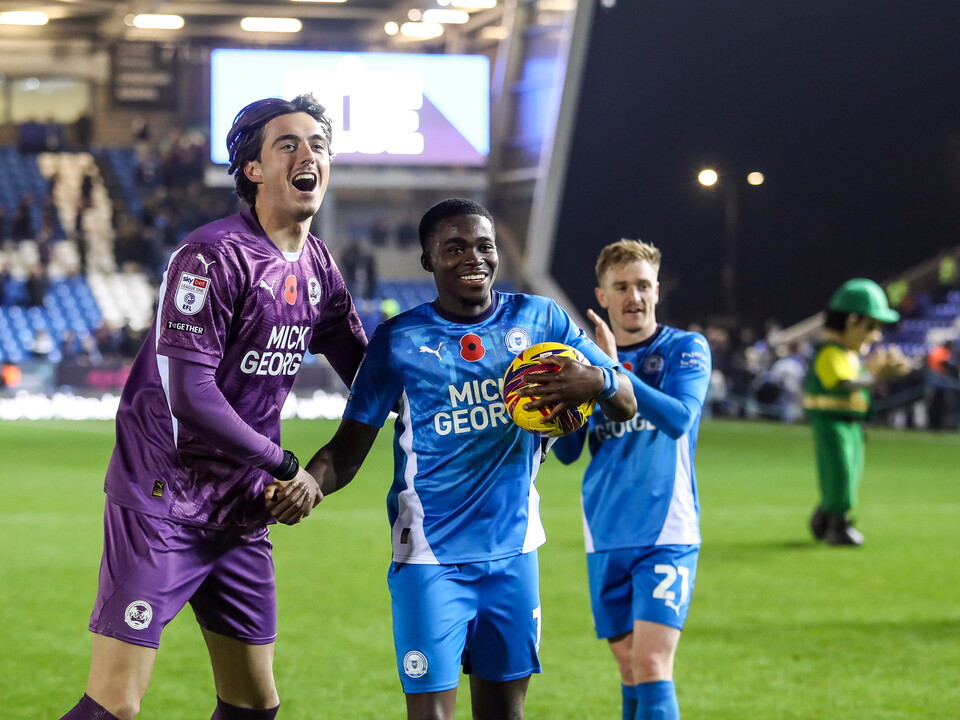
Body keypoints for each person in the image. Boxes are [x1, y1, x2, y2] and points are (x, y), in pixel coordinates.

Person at [57, 93, 367, 720]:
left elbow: (370, 374)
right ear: (252, 168)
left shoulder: (319, 266)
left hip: (241, 506)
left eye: (319, 146)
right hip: (164, 499)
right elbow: (192, 397)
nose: (309, 156)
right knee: (116, 703)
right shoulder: (212, 255)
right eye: (288, 145)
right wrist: (285, 466)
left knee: (254, 702)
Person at [267, 197, 637, 720]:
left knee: (504, 714)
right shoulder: (398, 342)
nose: (474, 257)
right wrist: (307, 483)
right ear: (428, 260)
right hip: (429, 558)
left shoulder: (540, 319)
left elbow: (625, 403)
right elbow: (347, 451)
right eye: (455, 248)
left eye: (484, 245)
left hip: (513, 552)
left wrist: (596, 378)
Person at [551, 239, 711, 720]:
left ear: (657, 290)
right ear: (601, 296)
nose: (634, 296)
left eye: (642, 285)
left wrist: (610, 372)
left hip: (667, 530)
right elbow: (567, 453)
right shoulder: (584, 361)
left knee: (652, 662)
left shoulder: (685, 348)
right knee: (629, 669)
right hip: (604, 530)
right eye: (621, 287)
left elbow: (680, 418)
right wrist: (548, 402)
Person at [802, 278, 907, 546]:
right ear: (852, 321)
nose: (875, 335)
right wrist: (878, 376)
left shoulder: (849, 355)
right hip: (833, 424)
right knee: (839, 473)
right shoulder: (829, 353)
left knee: (849, 473)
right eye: (870, 326)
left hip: (852, 424)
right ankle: (836, 522)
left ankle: (827, 517)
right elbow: (843, 384)